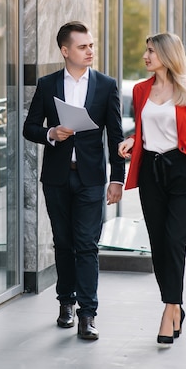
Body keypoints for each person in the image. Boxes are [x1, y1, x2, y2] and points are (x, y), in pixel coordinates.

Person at [23, 21, 125, 340]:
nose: (90, 51)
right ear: (65, 51)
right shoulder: (48, 83)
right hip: (56, 178)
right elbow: (29, 127)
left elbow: (116, 136)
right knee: (63, 244)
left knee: (87, 246)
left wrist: (117, 180)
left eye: (91, 45)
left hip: (92, 179)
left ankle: (88, 314)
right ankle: (65, 303)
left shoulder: (107, 85)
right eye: (83, 46)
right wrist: (51, 133)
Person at [118, 32, 186, 345]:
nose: (146, 57)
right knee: (159, 245)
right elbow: (145, 128)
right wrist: (133, 141)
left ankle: (168, 309)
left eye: (151, 51)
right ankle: (176, 307)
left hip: (181, 172)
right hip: (150, 172)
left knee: (175, 241)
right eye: (146, 51)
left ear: (167, 54)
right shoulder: (140, 89)